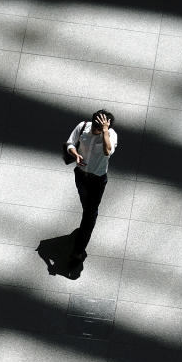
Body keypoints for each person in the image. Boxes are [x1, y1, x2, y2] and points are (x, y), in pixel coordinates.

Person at [65, 110, 117, 268]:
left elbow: (107, 151)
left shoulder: (111, 135)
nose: (96, 130)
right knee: (87, 207)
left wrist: (106, 131)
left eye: (100, 128)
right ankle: (86, 224)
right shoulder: (83, 126)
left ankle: (78, 252)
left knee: (89, 214)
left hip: (97, 180)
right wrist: (75, 154)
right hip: (80, 176)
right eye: (96, 127)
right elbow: (70, 144)